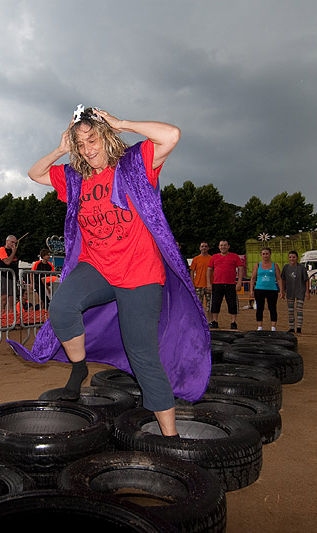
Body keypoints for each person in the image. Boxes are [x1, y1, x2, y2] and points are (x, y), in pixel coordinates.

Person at [12, 105, 210, 437]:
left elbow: (172, 135)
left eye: (93, 140)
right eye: (80, 144)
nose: (88, 150)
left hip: (139, 273)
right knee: (62, 306)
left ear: (106, 137)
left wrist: (123, 123)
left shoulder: (134, 165)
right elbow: (35, 173)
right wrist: (60, 149)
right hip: (97, 268)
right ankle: (79, 370)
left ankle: (170, 436)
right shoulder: (76, 178)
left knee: (142, 354)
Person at [207, 240, 244, 330]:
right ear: (219, 247)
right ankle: (215, 321)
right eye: (221, 245)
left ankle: (233, 322)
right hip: (217, 284)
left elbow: (240, 268)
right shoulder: (214, 257)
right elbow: (209, 270)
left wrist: (239, 282)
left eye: (225, 245)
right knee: (215, 303)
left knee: (232, 303)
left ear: (228, 246)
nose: (223, 247)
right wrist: (209, 283)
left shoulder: (234, 256)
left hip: (231, 284)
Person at [249, 247, 282, 331]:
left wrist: (281, 290)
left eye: (267, 254)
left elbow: (278, 278)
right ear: (261, 255)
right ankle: (259, 326)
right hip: (259, 289)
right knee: (260, 308)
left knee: (272, 308)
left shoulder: (274, 266)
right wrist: (251, 290)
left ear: (270, 254)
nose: (265, 256)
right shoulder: (257, 265)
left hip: (272, 289)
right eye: (263, 254)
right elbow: (253, 278)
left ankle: (273, 327)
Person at [281, 251, 310, 333]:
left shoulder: (301, 268)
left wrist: (307, 291)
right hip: (290, 291)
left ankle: (299, 328)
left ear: (297, 258)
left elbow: (306, 280)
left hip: (300, 291)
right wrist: (282, 290)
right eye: (290, 257)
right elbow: (283, 280)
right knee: (290, 310)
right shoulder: (286, 268)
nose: (292, 259)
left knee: (299, 310)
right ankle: (291, 327)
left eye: (293, 257)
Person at [189, 242, 212, 321]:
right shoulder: (196, 259)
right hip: (198, 285)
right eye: (202, 246)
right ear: (200, 248)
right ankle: (199, 320)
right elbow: (192, 271)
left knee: (210, 305)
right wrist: (192, 282)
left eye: (205, 246)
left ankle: (210, 321)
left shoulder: (211, 258)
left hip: (209, 285)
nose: (204, 248)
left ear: (208, 248)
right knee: (198, 304)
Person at [0, 235, 19, 310]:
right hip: (5, 275)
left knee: (12, 298)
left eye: (15, 243)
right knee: (4, 297)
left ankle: (11, 313)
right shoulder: (2, 249)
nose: (14, 245)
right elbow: (7, 262)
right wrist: (13, 252)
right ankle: (2, 313)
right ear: (7, 241)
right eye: (12, 242)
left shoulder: (14, 251)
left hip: (13, 276)